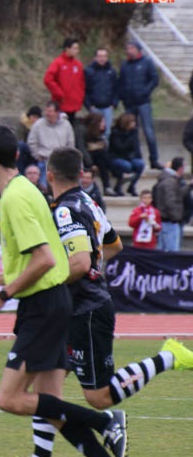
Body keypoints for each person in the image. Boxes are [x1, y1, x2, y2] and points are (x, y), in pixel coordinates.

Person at [0, 125, 128, 457]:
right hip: (53, 303)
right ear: (18, 156)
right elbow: (39, 258)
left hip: (43, 306)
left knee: (9, 399)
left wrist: (3, 295)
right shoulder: (28, 189)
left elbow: (46, 259)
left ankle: (105, 421)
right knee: (51, 405)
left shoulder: (13, 199)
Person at [35, 146, 193, 456]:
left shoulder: (66, 209)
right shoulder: (88, 202)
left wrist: (51, 280)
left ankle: (168, 358)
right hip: (70, 307)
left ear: (49, 175)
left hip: (85, 309)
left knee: (99, 396)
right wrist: (93, 264)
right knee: (44, 389)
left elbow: (79, 265)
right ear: (81, 174)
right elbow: (115, 245)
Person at [117, 41, 161, 169]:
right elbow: (121, 82)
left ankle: (154, 159)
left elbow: (154, 79)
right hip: (129, 103)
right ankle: (137, 157)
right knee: (132, 132)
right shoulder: (125, 65)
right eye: (127, 48)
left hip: (143, 102)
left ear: (138, 50)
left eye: (131, 48)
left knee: (149, 131)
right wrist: (122, 96)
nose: (129, 51)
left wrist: (145, 92)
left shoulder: (147, 62)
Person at [27, 101, 74, 186]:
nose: (47, 113)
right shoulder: (38, 124)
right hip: (43, 160)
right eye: (46, 111)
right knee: (43, 185)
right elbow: (31, 141)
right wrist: (37, 155)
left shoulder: (66, 125)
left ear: (57, 112)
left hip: (61, 161)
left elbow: (70, 143)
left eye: (50, 111)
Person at [152, 156, 189, 252]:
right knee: (171, 252)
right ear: (180, 168)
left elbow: (178, 195)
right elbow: (170, 202)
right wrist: (177, 218)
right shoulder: (170, 181)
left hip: (168, 221)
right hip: (170, 222)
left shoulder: (171, 180)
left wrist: (189, 186)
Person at [43, 37, 85, 115]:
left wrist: (80, 97)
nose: (77, 51)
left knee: (70, 126)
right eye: (74, 48)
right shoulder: (58, 62)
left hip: (73, 104)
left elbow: (81, 83)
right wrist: (59, 93)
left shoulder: (78, 64)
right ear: (67, 49)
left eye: (77, 48)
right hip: (61, 104)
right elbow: (48, 79)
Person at [108, 112, 145, 197]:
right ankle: (118, 186)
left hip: (130, 157)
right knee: (126, 166)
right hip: (117, 157)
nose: (134, 124)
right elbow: (119, 148)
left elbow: (136, 147)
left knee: (140, 164)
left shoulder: (133, 132)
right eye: (132, 122)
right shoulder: (115, 133)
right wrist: (129, 138)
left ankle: (132, 186)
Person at [84, 47, 117, 140]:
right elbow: (85, 89)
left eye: (104, 56)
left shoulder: (112, 71)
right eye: (100, 56)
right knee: (94, 132)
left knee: (107, 133)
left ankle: (106, 153)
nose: (102, 58)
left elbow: (116, 89)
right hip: (94, 107)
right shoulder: (89, 71)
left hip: (108, 107)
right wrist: (89, 105)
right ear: (95, 57)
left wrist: (113, 104)